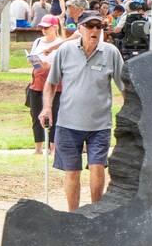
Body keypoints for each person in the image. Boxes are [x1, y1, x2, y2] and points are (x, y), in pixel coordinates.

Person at [40, 11, 125, 211]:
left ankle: (96, 212)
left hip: (100, 124)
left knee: (97, 168)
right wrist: (46, 108)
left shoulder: (111, 52)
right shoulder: (65, 50)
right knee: (72, 172)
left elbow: (125, 87)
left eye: (99, 27)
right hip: (68, 123)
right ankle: (73, 215)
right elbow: (51, 84)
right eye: (90, 26)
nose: (95, 30)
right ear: (79, 29)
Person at [26, 15, 63, 154]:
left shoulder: (61, 44)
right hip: (37, 82)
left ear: (55, 27)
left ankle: (53, 147)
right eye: (42, 28)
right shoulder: (37, 42)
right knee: (35, 114)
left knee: (54, 114)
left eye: (46, 27)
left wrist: (49, 66)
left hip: (55, 84)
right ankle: (38, 147)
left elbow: (64, 65)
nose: (44, 30)